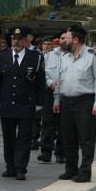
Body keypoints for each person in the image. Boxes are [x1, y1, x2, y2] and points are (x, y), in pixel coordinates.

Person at [53, 25, 96, 184]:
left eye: (67, 38)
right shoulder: (65, 57)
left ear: (76, 39)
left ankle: (85, 172)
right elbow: (60, 80)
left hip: (85, 101)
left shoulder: (93, 55)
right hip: (67, 101)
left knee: (86, 138)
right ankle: (71, 169)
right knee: (68, 138)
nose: (64, 41)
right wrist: (57, 99)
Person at [0, 26, 47, 181]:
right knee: (8, 138)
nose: (16, 42)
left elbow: (40, 82)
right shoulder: (2, 56)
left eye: (19, 39)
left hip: (26, 104)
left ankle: (21, 168)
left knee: (24, 139)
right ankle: (10, 166)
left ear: (26, 40)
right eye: (13, 39)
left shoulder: (35, 57)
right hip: (7, 103)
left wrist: (39, 103)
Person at [38, 31, 67, 164]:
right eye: (62, 38)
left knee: (64, 124)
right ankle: (46, 151)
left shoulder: (75, 55)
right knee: (47, 122)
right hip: (50, 92)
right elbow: (43, 73)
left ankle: (61, 152)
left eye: (67, 38)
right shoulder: (49, 55)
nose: (64, 41)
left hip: (67, 92)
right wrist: (50, 83)